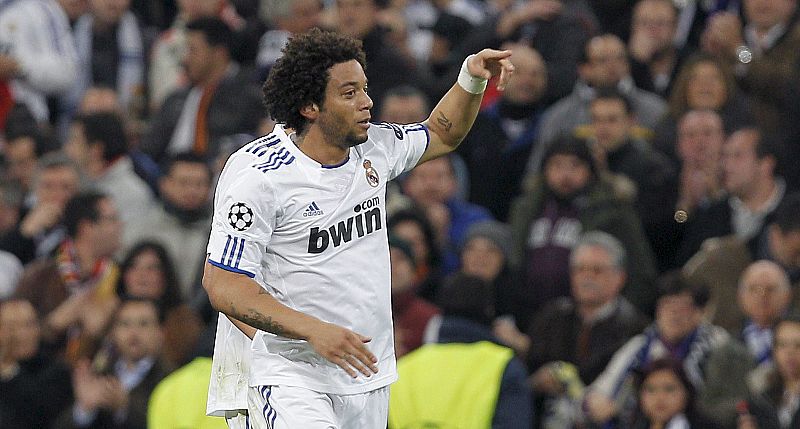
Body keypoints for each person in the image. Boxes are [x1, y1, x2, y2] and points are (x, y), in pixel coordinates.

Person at [201, 28, 514, 428]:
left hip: (365, 375)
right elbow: (223, 283)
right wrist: (314, 332)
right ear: (310, 106)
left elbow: (441, 133)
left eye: (365, 89)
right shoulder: (259, 177)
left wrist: (470, 78)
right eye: (349, 94)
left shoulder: (374, 149)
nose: (367, 103)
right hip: (286, 376)